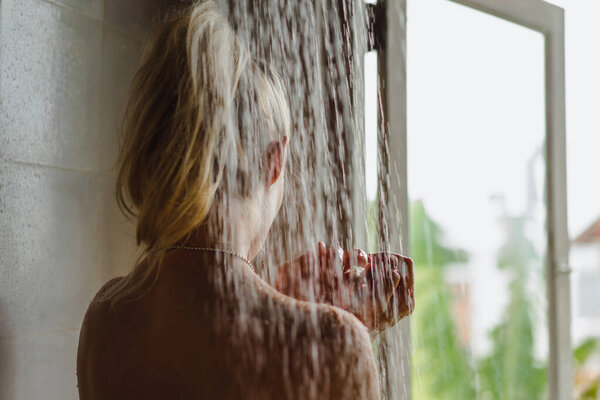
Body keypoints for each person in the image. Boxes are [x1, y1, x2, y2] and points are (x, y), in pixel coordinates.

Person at [77, 2, 413, 399]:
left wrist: (296, 309)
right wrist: (344, 332)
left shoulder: (106, 320)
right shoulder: (333, 344)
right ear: (275, 160)